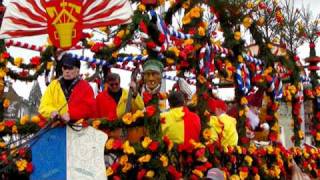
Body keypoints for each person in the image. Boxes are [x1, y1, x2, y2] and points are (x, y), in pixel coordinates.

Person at [38, 54, 96, 122]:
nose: (67, 71)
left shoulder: (86, 87)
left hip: (78, 128)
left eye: (70, 68)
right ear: (62, 69)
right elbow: (43, 106)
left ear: (78, 70)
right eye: (65, 68)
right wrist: (51, 112)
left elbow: (89, 109)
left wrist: (70, 115)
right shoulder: (53, 85)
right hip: (55, 127)